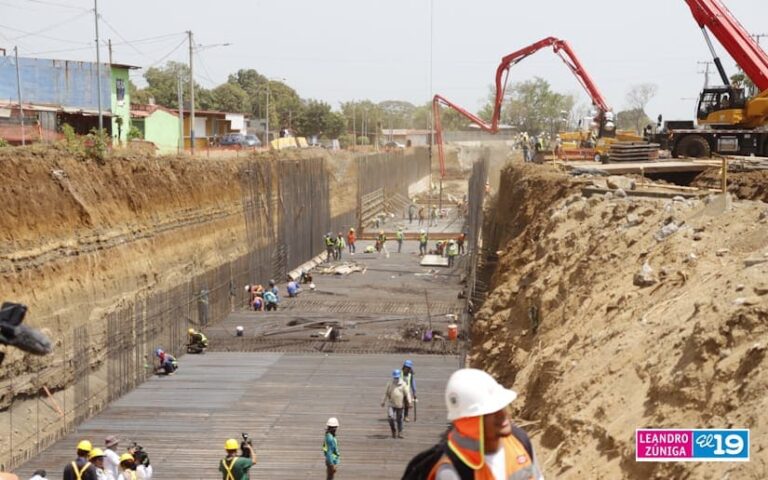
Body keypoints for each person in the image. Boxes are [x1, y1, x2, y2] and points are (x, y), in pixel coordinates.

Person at [427, 368, 543, 480]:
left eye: (501, 406)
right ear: (470, 422)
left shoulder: (520, 441)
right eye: (491, 411)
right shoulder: (451, 472)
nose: (502, 414)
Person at [381, 369, 411, 439]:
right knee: (390, 417)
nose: (396, 379)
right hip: (391, 404)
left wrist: (409, 402)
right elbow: (385, 393)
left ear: (399, 377)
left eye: (397, 377)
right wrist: (383, 401)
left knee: (399, 419)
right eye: (395, 377)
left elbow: (407, 393)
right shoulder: (390, 383)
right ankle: (393, 430)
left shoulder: (403, 384)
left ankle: (400, 432)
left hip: (400, 405)